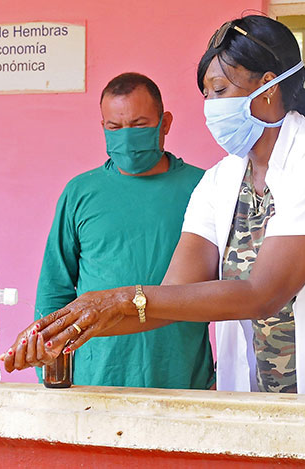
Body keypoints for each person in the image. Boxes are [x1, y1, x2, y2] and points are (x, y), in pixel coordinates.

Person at [2, 16, 305, 467]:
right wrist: (66, 331)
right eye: (207, 94)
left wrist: (120, 297)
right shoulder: (219, 181)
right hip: (274, 402)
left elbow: (264, 292)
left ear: (269, 89)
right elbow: (169, 299)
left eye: (220, 91)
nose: (212, 108)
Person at [29, 73, 214, 389]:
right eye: (115, 128)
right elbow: (55, 289)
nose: (126, 137)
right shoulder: (80, 192)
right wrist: (49, 368)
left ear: (164, 123)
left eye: (140, 125)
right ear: (103, 127)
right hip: (95, 379)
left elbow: (229, 288)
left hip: (184, 377)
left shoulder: (205, 188)